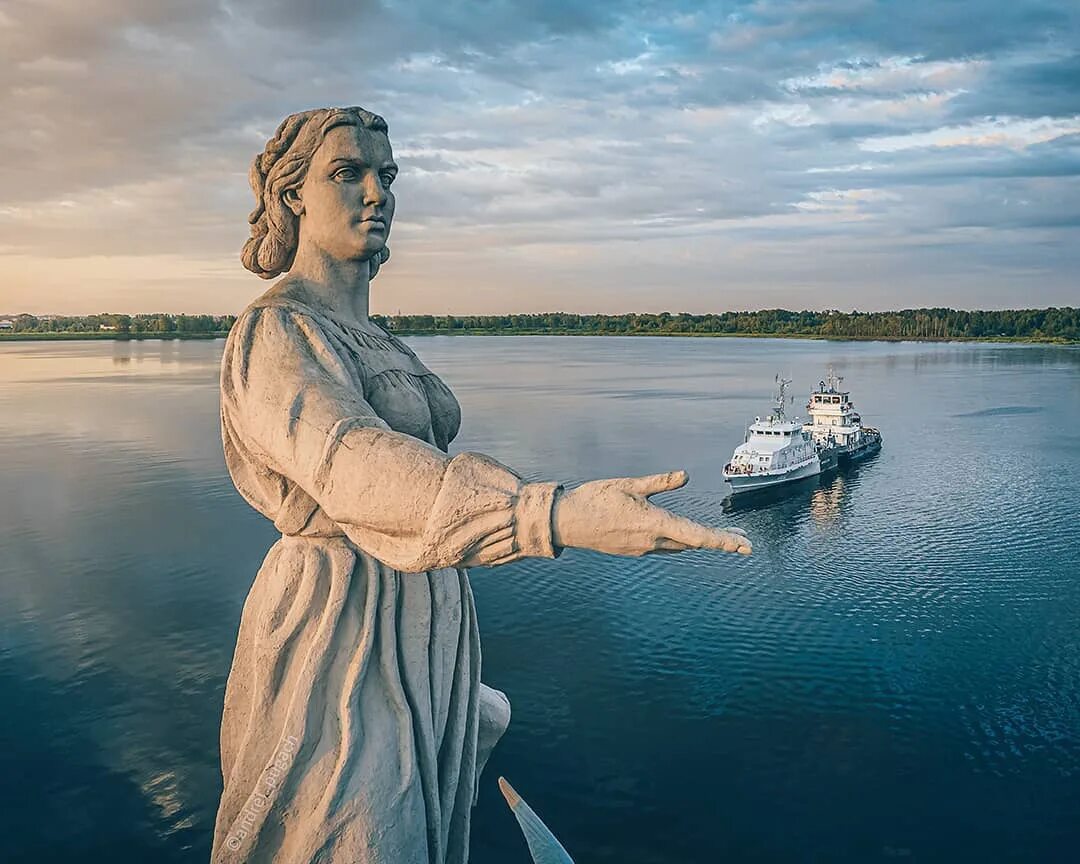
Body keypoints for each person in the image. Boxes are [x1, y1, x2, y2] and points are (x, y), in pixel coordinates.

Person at [212, 106, 751, 864]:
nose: (377, 193)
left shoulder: (377, 336)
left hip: (425, 607)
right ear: (293, 194)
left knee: (430, 835)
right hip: (342, 630)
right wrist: (550, 514)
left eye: (386, 175)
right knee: (361, 836)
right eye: (348, 173)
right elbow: (352, 465)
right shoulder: (276, 332)